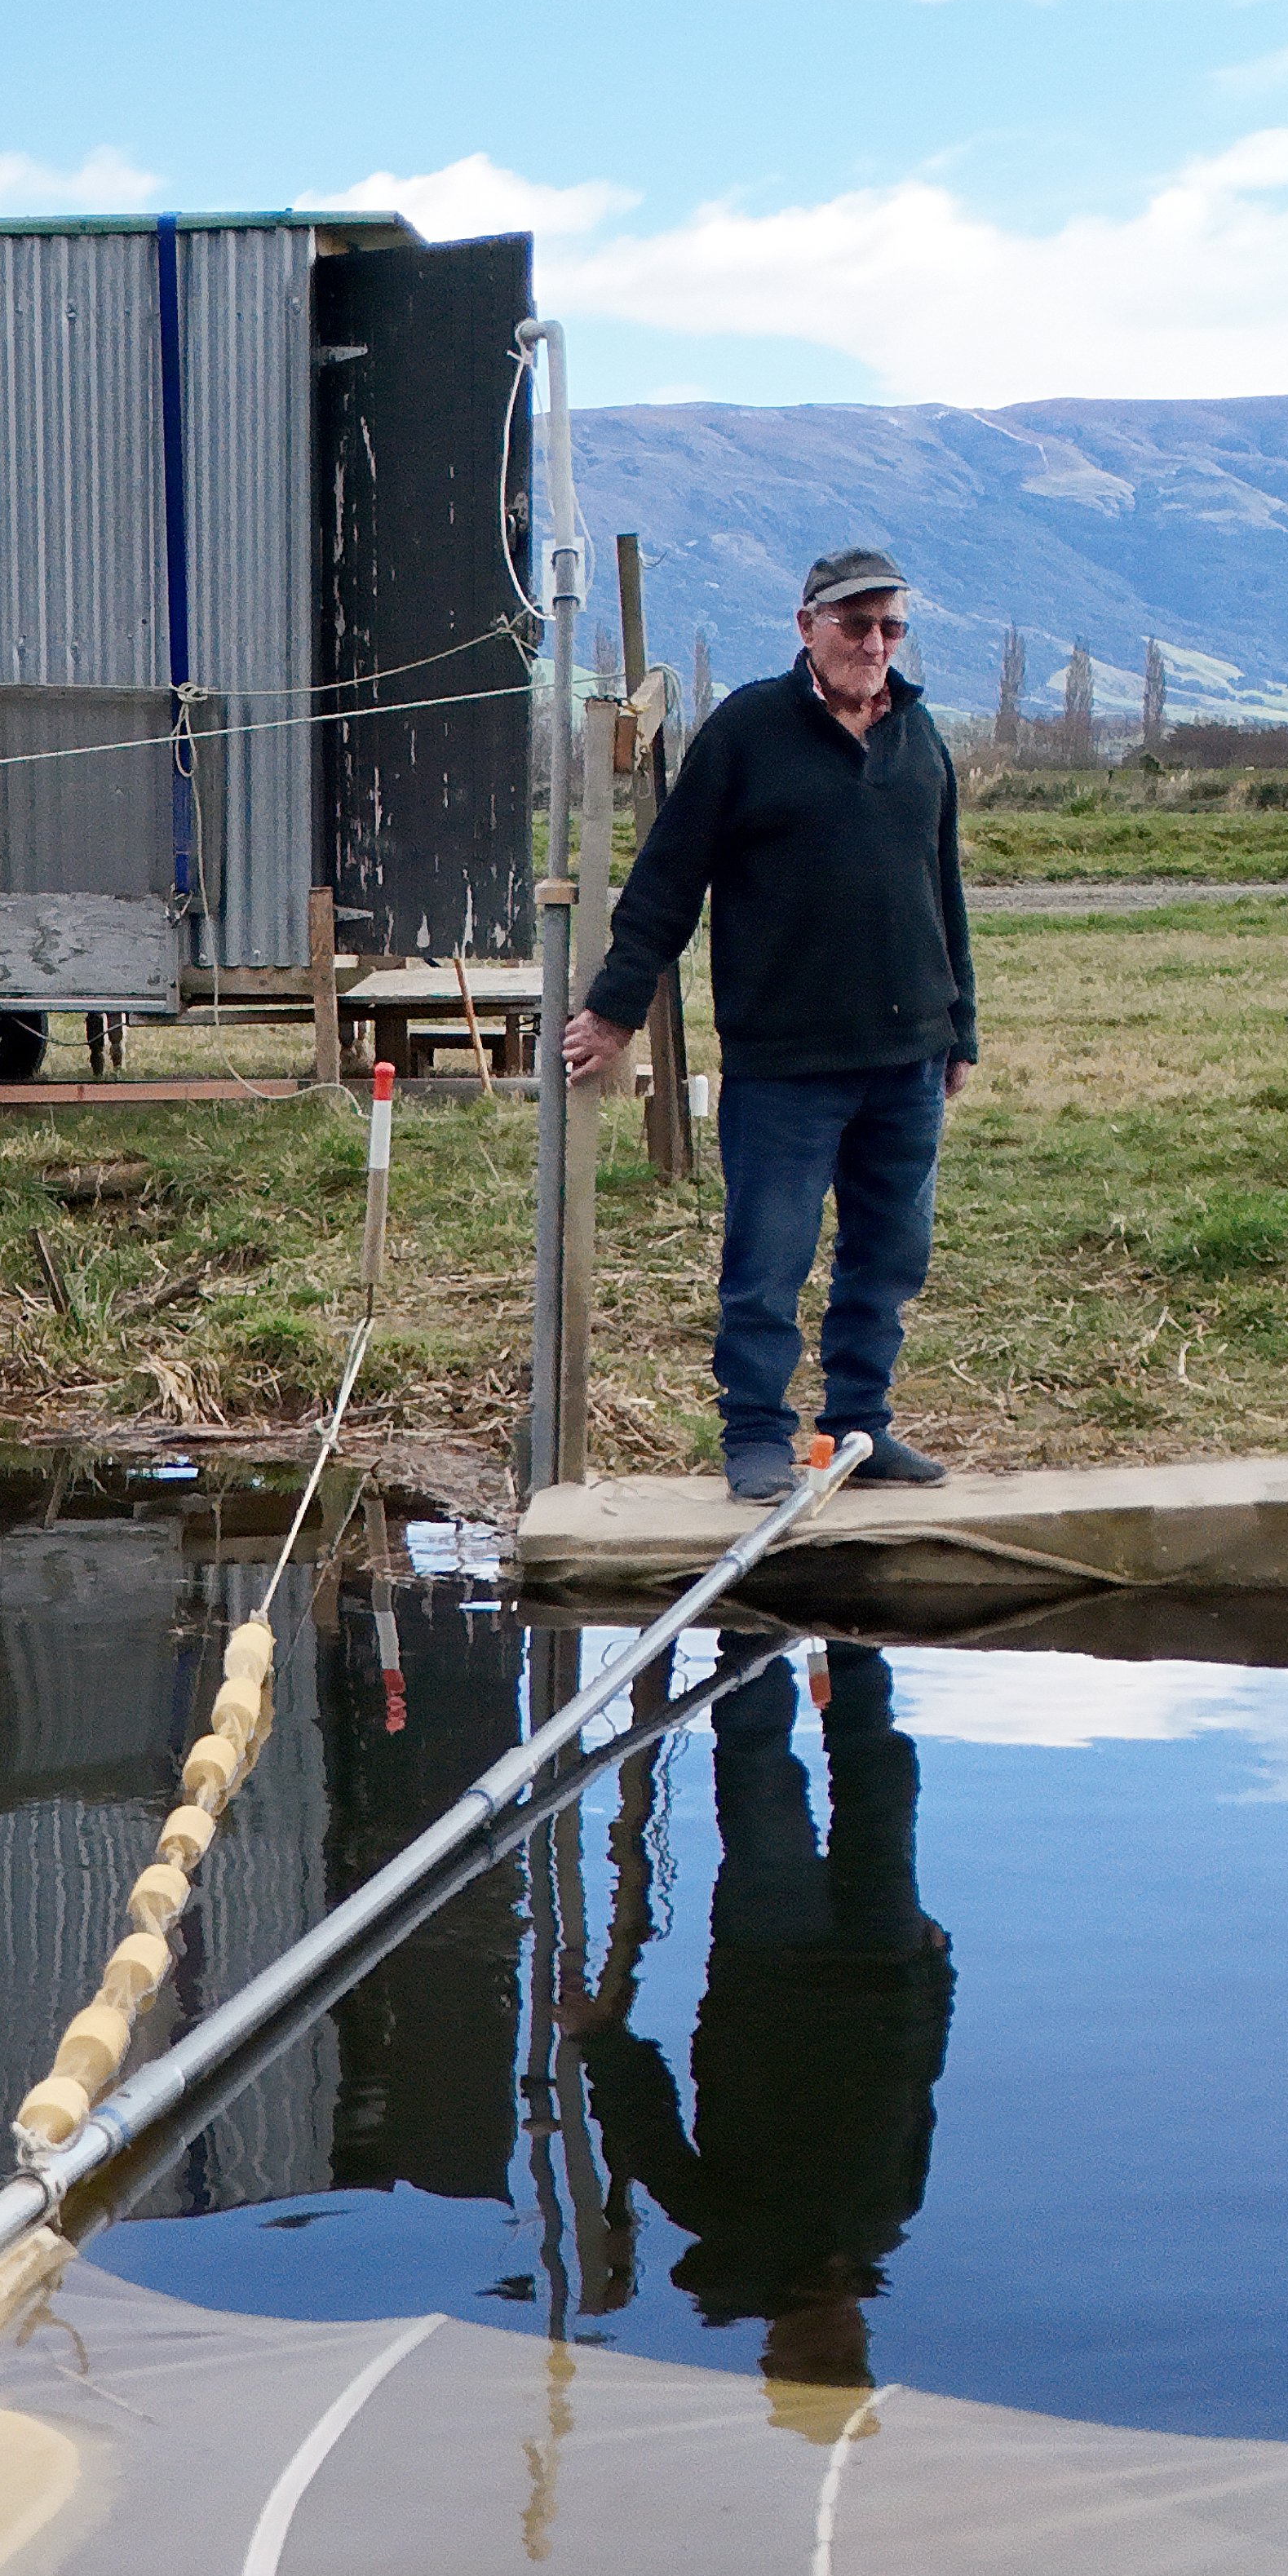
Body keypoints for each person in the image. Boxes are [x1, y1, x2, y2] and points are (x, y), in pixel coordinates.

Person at [562, 549, 978, 1503]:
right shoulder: (748, 730)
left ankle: (859, 1430)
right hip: (785, 1063)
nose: (875, 644)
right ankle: (756, 1437)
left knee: (889, 1256)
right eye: (855, 625)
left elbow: (942, 893)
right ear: (807, 627)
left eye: (890, 627)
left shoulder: (921, 738)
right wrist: (617, 1011)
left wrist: (961, 1029)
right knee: (768, 1262)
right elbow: (668, 880)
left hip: (907, 1057)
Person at [573, 1641, 954, 2423]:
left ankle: (751, 1643)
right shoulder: (887, 2223)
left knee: (758, 1790)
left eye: (819, 2360)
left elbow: (649, 2136)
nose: (836, 2339)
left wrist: (604, 2042)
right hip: (885, 1966)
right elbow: (919, 2089)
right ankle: (852, 1642)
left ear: (772, 2352)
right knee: (880, 1786)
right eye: (849, 2357)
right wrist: (937, 1976)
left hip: (767, 1966)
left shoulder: (733, 2236)